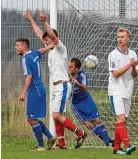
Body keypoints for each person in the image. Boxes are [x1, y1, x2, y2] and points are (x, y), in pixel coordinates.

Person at [25, 9, 87, 149]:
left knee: (57, 115)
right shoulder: (50, 48)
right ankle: (62, 144)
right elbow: (39, 33)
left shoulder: (61, 48)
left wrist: (45, 22)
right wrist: (31, 20)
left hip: (63, 85)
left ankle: (80, 133)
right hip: (56, 86)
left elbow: (50, 35)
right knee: (55, 116)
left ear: (54, 39)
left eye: (47, 40)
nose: (44, 41)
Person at [16, 38, 57, 151]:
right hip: (40, 89)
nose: (16, 48)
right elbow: (41, 51)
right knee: (32, 118)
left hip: (35, 90)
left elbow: (29, 76)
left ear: (24, 47)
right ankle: (50, 137)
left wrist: (23, 93)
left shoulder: (25, 58)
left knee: (31, 118)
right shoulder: (33, 53)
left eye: (18, 45)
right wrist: (49, 47)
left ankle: (41, 146)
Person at [108, 28, 138, 155]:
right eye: (118, 37)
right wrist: (129, 65)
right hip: (115, 90)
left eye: (122, 37)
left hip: (128, 90)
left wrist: (133, 66)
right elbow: (115, 74)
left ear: (128, 38)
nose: (120, 39)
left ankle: (116, 147)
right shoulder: (113, 54)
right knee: (120, 117)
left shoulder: (133, 54)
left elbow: (135, 74)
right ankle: (128, 145)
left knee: (123, 120)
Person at [68, 58, 114, 148]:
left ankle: (107, 141)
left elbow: (85, 88)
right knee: (88, 124)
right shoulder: (66, 76)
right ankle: (108, 140)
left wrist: (77, 83)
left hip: (86, 100)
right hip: (75, 104)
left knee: (96, 120)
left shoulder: (82, 75)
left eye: (71, 67)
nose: (69, 68)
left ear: (77, 69)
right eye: (68, 66)